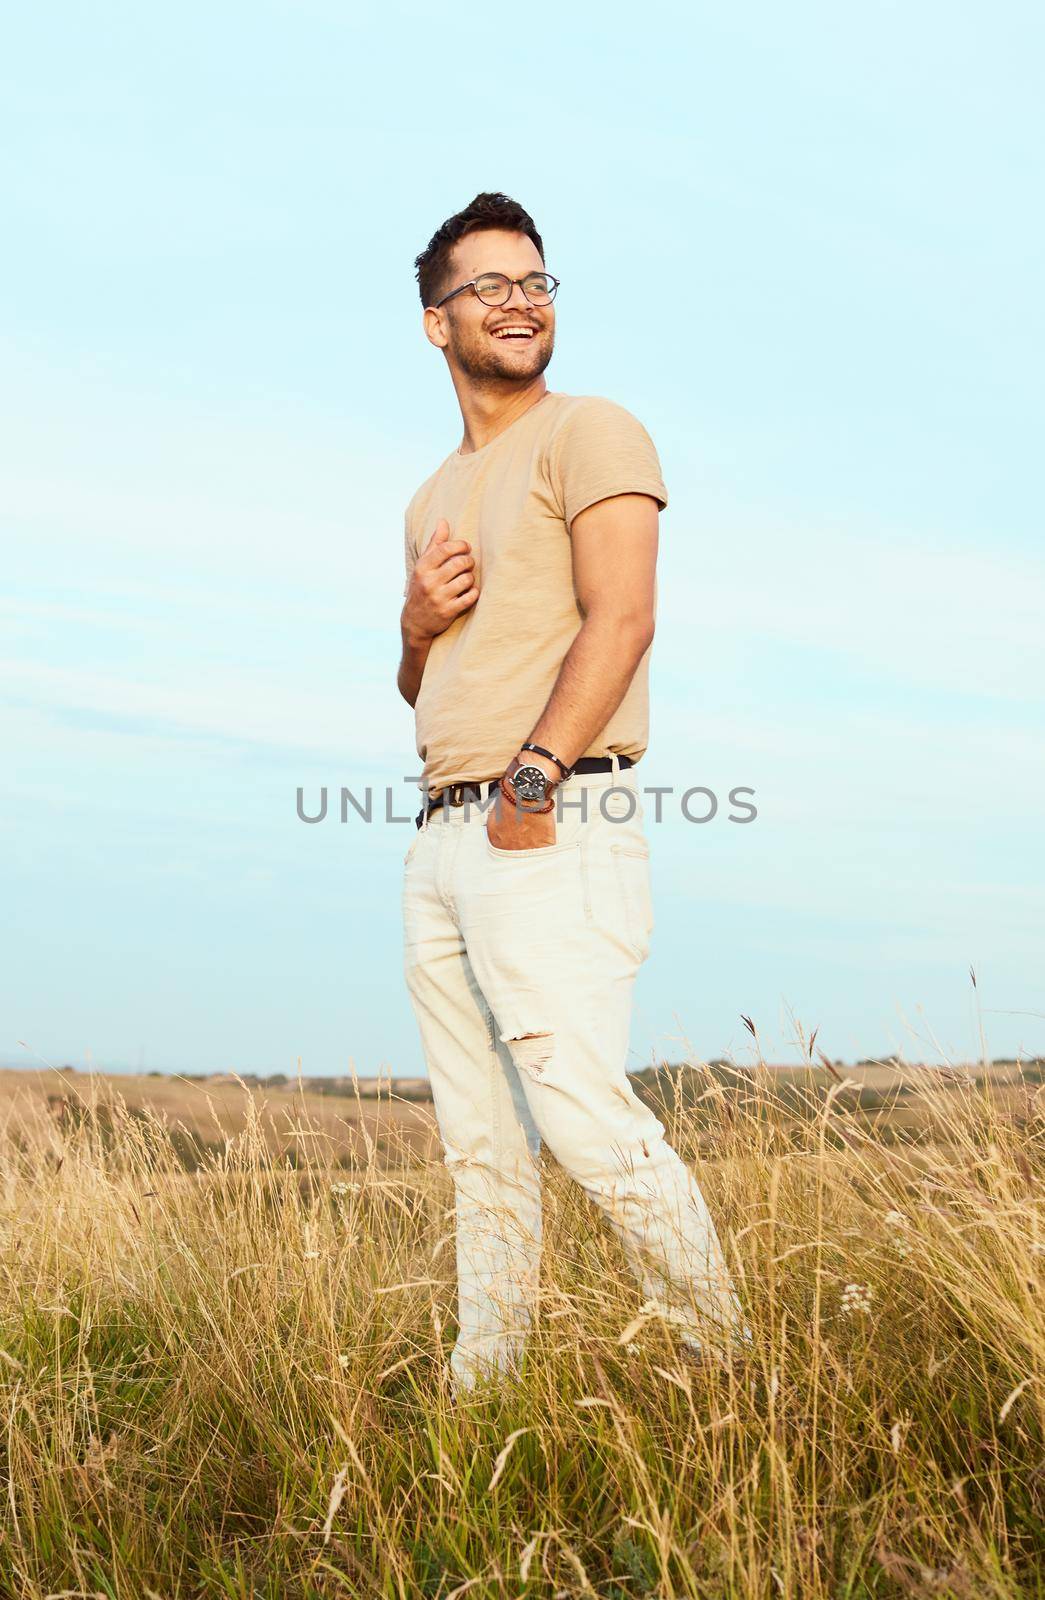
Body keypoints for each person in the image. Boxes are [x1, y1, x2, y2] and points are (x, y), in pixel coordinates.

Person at [398, 191, 746, 1392]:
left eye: (534, 281)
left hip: (545, 813)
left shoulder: (592, 431)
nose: (518, 301)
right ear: (436, 323)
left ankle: (725, 1363)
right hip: (442, 830)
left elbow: (627, 616)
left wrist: (534, 780)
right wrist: (413, 621)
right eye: (488, 286)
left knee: (586, 1115)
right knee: (478, 1144)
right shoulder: (432, 495)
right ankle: (484, 1392)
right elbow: (423, 681)